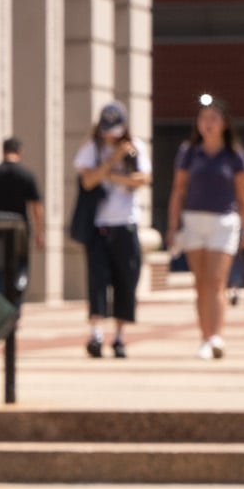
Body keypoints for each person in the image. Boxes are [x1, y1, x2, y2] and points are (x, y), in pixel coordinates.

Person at [165, 94, 244, 359]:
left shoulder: (234, 155)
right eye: (204, 118)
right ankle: (204, 337)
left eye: (213, 119)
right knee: (200, 283)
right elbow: (178, 190)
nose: (208, 124)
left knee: (217, 281)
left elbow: (242, 195)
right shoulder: (188, 153)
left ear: (224, 123)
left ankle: (216, 336)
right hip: (194, 220)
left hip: (224, 221)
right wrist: (173, 225)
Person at [72, 100, 149, 357]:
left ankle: (119, 337)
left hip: (126, 223)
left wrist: (114, 175)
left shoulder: (135, 147)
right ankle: (95, 334)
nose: (110, 134)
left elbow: (142, 179)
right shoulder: (92, 148)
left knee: (126, 281)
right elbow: (87, 181)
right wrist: (112, 161)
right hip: (99, 225)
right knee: (97, 280)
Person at [0, 136, 45, 299]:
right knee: (21, 268)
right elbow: (36, 207)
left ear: (3, 151)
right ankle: (15, 307)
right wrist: (40, 232)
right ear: (20, 152)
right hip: (21, 229)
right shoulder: (27, 175)